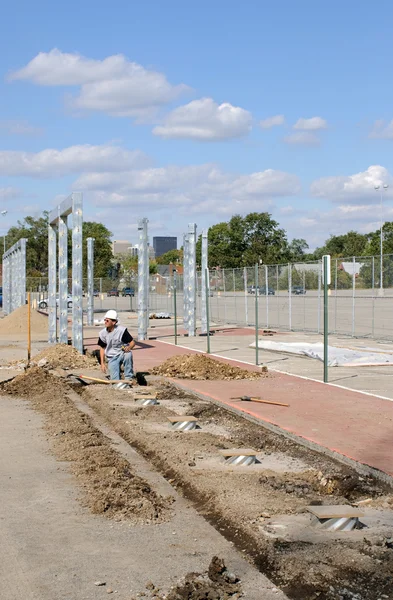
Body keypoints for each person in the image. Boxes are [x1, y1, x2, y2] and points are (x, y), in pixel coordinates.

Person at [98, 310, 136, 381]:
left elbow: (132, 342)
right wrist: (102, 364)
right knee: (115, 380)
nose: (105, 322)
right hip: (112, 357)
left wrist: (129, 347)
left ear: (114, 322)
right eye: (105, 320)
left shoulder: (121, 331)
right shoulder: (102, 333)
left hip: (122, 353)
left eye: (107, 320)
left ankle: (129, 378)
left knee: (128, 354)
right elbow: (102, 348)